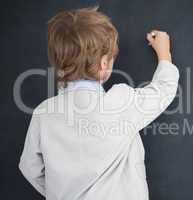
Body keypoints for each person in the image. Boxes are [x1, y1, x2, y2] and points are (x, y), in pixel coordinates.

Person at [19, 6, 179, 200]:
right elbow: (163, 89)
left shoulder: (43, 113)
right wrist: (164, 54)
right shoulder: (120, 101)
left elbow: (30, 167)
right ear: (104, 63)